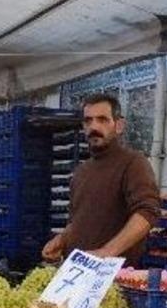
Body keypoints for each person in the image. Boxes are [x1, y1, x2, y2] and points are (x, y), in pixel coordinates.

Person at [41, 94, 160, 265]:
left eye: (102, 119)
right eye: (88, 121)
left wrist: (107, 252)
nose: (94, 126)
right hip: (78, 273)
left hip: (114, 278)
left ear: (119, 125)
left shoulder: (133, 163)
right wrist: (61, 239)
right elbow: (77, 220)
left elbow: (147, 212)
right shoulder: (81, 172)